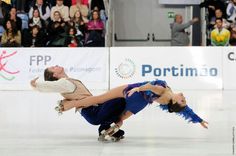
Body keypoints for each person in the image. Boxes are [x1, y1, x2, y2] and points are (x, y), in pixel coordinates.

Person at [53, 67, 208, 129]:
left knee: (99, 100)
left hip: (132, 91)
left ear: (175, 102)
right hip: (139, 102)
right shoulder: (171, 103)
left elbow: (148, 86)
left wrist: (137, 88)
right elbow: (185, 110)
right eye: (185, 100)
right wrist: (198, 119)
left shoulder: (163, 89)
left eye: (182, 99)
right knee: (120, 117)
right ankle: (112, 128)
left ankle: (72, 104)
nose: (184, 97)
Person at [30, 65, 126, 141]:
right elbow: (50, 85)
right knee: (120, 101)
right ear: (54, 75)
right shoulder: (63, 83)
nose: (56, 65)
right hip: (92, 112)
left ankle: (105, 128)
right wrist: (36, 84)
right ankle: (104, 128)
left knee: (117, 102)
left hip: (93, 111)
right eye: (53, 68)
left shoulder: (67, 82)